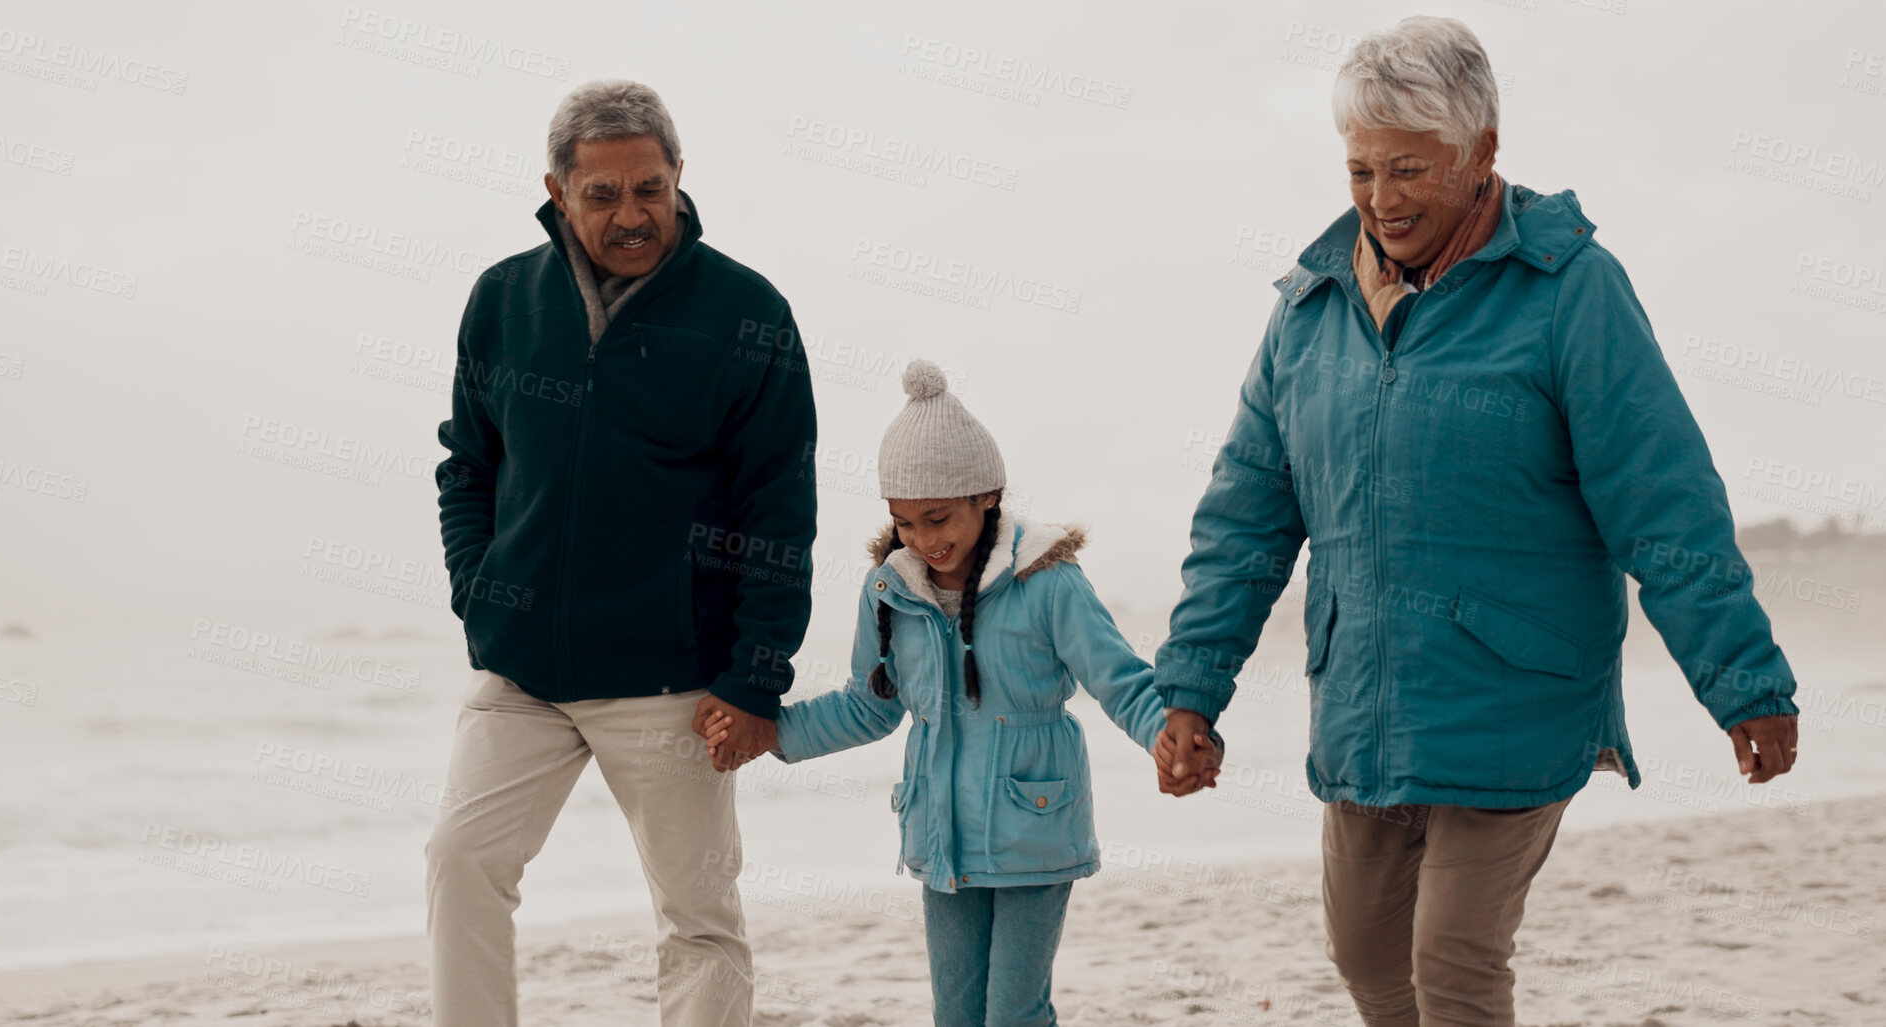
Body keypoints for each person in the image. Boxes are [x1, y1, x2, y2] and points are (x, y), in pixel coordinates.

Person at [1150, 17, 1801, 1026]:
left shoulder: (1572, 293)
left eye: (1409, 167)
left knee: (1452, 958)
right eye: (1361, 169)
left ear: (1483, 151)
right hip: (1365, 700)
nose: (1380, 198)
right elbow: (1244, 520)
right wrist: (1190, 690)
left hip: (1519, 692)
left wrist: (1742, 679)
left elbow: (1662, 498)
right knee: (1367, 951)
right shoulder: (1309, 310)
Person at [426, 80, 818, 1027]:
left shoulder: (744, 309)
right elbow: (466, 464)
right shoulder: (503, 298)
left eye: (649, 188)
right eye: (602, 195)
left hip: (673, 682)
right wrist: (479, 591)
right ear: (558, 191)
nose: (631, 214)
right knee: (459, 859)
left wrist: (756, 678)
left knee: (698, 919)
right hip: (521, 670)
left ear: (678, 176)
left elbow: (780, 507)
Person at [702, 359, 1217, 1026]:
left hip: (1034, 823)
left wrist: (1166, 732)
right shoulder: (890, 592)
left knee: (1012, 1013)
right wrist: (775, 731)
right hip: (938, 834)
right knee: (955, 1013)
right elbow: (870, 703)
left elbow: (1117, 678)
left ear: (987, 496)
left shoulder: (1048, 582)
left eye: (938, 517)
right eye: (906, 522)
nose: (925, 539)